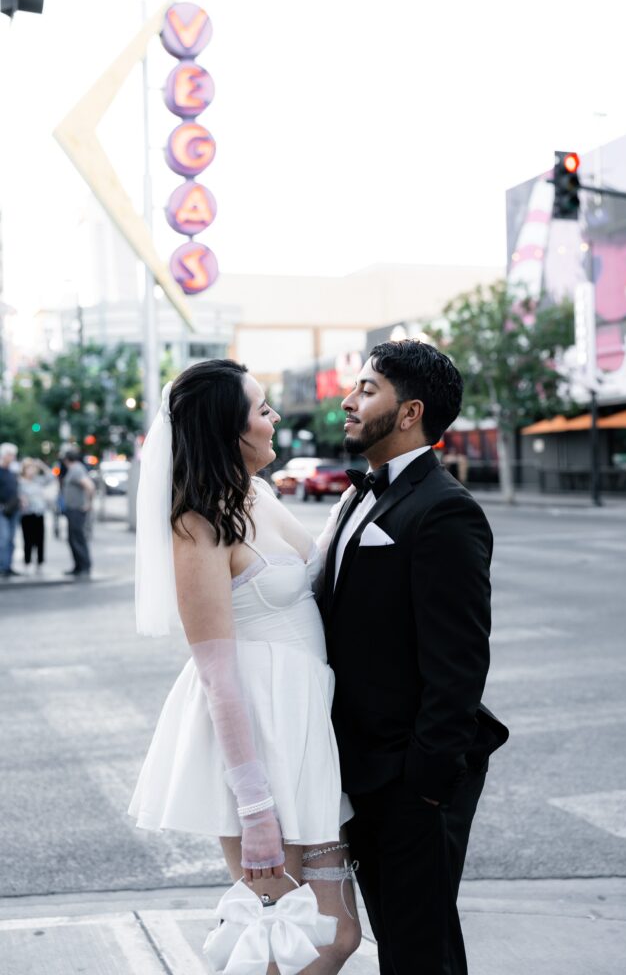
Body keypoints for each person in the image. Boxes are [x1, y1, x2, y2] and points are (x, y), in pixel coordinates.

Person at [129, 359, 361, 974]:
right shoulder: (196, 525)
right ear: (227, 430)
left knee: (335, 934)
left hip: (306, 730)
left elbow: (319, 563)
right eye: (261, 409)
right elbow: (214, 673)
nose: (275, 417)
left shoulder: (257, 493)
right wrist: (255, 808)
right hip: (258, 739)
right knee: (286, 936)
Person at [319, 340, 509, 975]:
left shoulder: (446, 510)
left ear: (410, 412)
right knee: (401, 946)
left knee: (420, 951)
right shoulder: (358, 496)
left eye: (367, 389)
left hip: (409, 781)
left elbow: (458, 663)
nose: (348, 400)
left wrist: (424, 787)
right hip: (362, 768)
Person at [62, 450, 95, 577]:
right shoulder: (77, 469)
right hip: (73, 509)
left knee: (77, 538)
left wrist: (88, 503)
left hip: (77, 509)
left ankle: (84, 566)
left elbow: (89, 486)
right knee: (73, 538)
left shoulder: (76, 470)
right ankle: (78, 566)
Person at [19, 458, 55, 573]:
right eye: (29, 468)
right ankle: (27, 561)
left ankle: (40, 562)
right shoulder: (20, 482)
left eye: (33, 468)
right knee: (27, 539)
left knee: (40, 539)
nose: (31, 471)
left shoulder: (38, 480)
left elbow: (51, 477)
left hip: (39, 513)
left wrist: (42, 465)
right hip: (27, 513)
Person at [0, 442, 20, 577]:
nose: (13, 457)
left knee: (11, 539)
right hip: (2, 509)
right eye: (11, 455)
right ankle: (2, 566)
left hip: (14, 509)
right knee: (4, 538)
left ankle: (8, 566)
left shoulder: (12, 472)